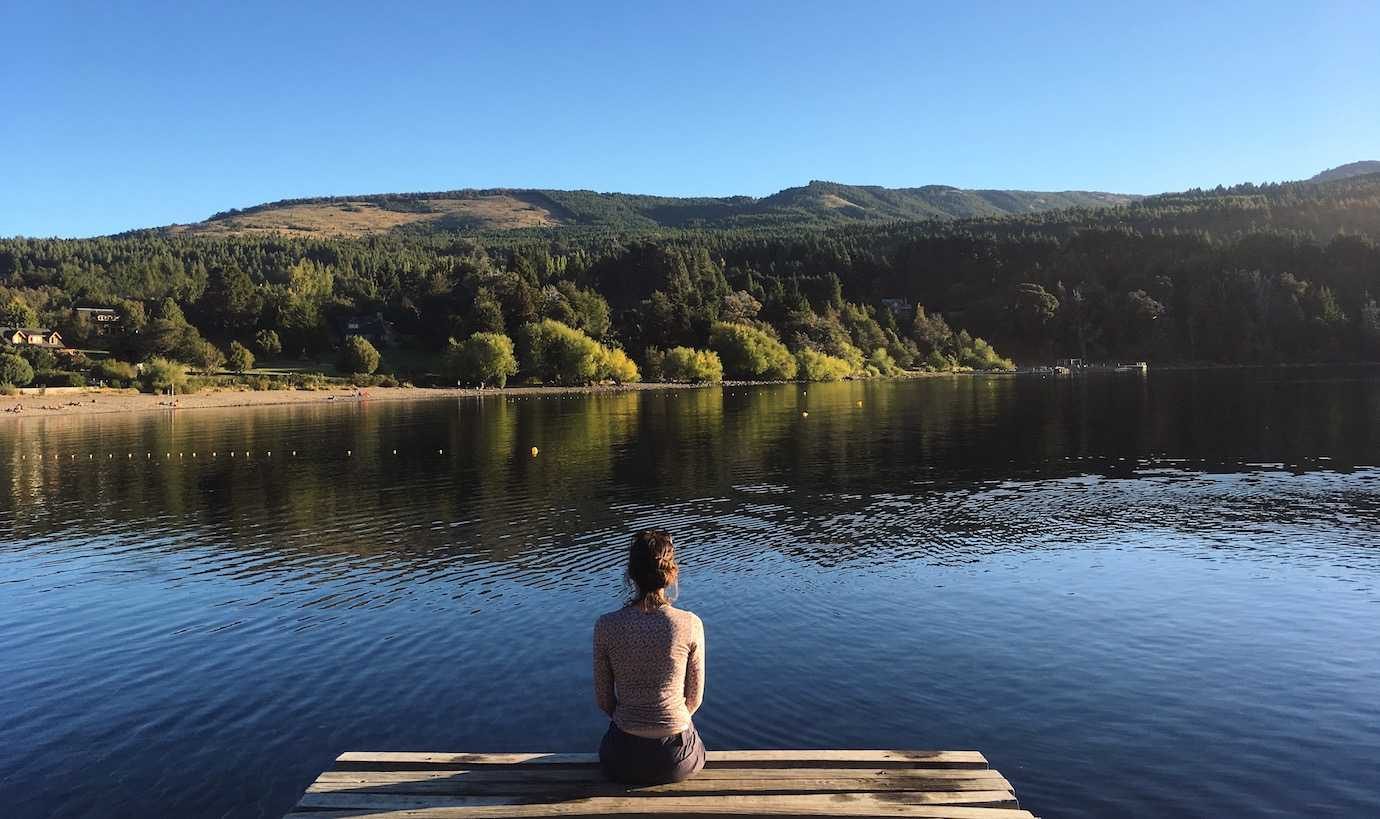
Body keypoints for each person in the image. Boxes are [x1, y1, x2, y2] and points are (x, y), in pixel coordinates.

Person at [593, 529, 707, 784]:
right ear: (671, 573)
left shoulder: (606, 626)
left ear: (631, 574)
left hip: (623, 759)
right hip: (676, 760)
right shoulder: (690, 624)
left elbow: (604, 701)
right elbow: (694, 700)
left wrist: (634, 719)